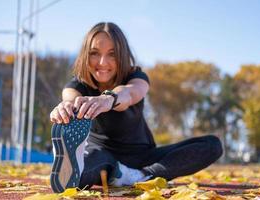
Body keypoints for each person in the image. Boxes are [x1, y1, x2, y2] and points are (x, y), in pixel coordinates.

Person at [49, 22, 223, 193]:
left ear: (122, 56)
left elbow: (130, 93)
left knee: (212, 145)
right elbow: (71, 99)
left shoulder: (135, 76)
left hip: (144, 159)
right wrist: (65, 109)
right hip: (103, 158)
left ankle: (142, 176)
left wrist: (108, 99)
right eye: (95, 53)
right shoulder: (77, 84)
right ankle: (83, 168)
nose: (102, 62)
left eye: (112, 54)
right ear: (85, 55)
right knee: (77, 175)